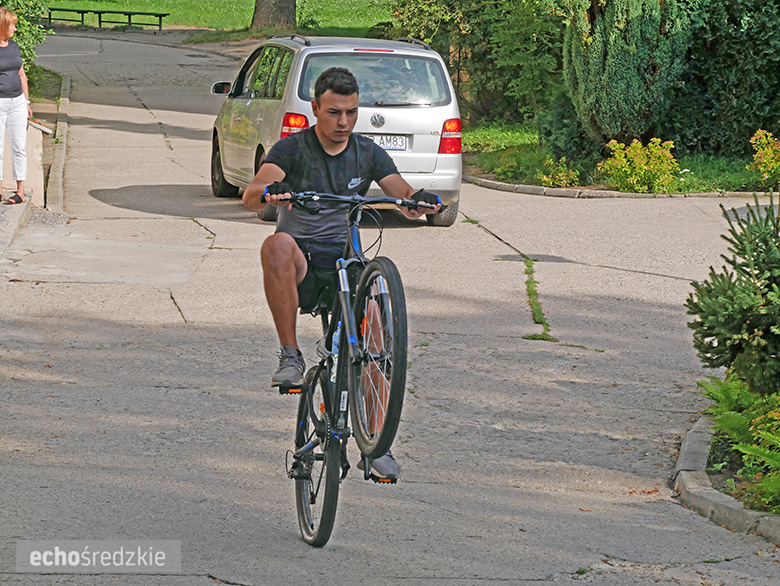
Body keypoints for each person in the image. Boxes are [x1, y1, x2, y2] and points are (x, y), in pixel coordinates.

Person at [243, 67, 440, 480]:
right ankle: (290, 355)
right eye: (334, 112)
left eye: (351, 112)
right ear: (316, 108)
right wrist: (269, 192)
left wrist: (416, 201)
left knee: (375, 342)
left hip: (346, 266)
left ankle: (375, 444)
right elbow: (253, 191)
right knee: (275, 246)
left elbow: (400, 192)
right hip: (302, 266)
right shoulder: (292, 149)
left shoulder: (367, 153)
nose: (343, 122)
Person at [0, 8, 31, 205]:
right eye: (12, 25)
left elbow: (22, 75)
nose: (15, 29)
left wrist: (27, 102)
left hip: (18, 102)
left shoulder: (14, 46)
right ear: (3, 25)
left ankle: (20, 191)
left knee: (19, 148)